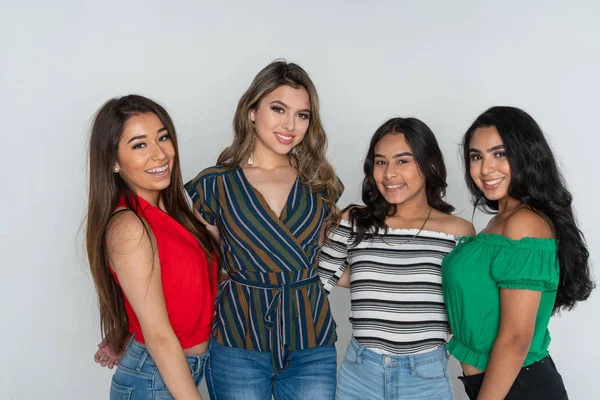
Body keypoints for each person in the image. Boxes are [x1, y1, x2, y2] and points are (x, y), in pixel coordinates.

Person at [184, 60, 343, 399]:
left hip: (310, 341)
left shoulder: (320, 183)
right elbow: (203, 272)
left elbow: (333, 261)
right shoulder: (215, 185)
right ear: (252, 111)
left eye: (302, 115)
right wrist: (135, 329)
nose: (291, 124)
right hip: (238, 339)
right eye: (278, 109)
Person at [442, 106, 595, 399]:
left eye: (500, 154)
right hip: (500, 386)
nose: (486, 169)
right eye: (477, 156)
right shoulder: (498, 223)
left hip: (517, 388)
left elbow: (516, 339)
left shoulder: (524, 224)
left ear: (525, 156)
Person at [319, 117, 474, 400]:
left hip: (425, 376)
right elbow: (316, 282)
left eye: (402, 161)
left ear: (430, 164)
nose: (389, 173)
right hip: (359, 374)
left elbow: (466, 310)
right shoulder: (354, 220)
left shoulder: (459, 232)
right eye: (380, 162)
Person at [86, 95, 220, 399]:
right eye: (139, 144)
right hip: (153, 379)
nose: (159, 154)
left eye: (163, 138)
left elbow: (192, 290)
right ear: (113, 161)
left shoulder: (174, 216)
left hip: (176, 371)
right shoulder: (129, 226)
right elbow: (159, 336)